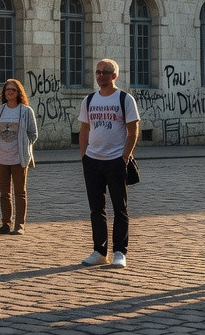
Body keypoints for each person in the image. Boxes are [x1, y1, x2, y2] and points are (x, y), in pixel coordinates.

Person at [77, 59, 139, 268]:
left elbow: (133, 130)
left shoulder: (125, 99)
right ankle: (99, 251)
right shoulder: (89, 100)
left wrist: (125, 156)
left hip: (116, 160)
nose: (100, 75)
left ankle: (120, 252)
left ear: (114, 76)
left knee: (120, 208)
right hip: (93, 161)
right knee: (96, 209)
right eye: (98, 72)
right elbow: (84, 129)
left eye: (105, 72)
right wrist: (84, 156)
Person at [0, 78, 38, 235]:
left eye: (13, 90)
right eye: (7, 90)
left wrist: (25, 146)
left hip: (19, 157)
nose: (10, 92)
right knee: (4, 193)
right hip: (1, 157)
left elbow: (33, 133)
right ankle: (5, 223)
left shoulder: (25, 111)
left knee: (20, 192)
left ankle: (19, 225)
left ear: (19, 93)